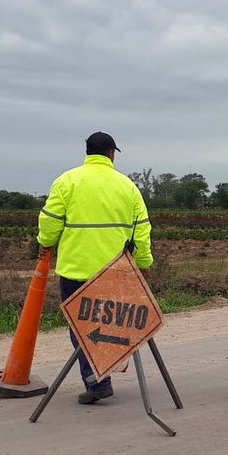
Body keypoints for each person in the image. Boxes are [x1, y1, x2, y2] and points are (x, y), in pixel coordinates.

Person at [37, 131, 154, 403]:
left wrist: (45, 244)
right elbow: (142, 231)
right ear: (112, 153)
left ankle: (97, 380)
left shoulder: (67, 181)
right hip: (117, 273)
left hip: (76, 271)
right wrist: (145, 263)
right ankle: (106, 370)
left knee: (82, 327)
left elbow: (50, 221)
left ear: (88, 152)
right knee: (113, 322)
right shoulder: (128, 187)